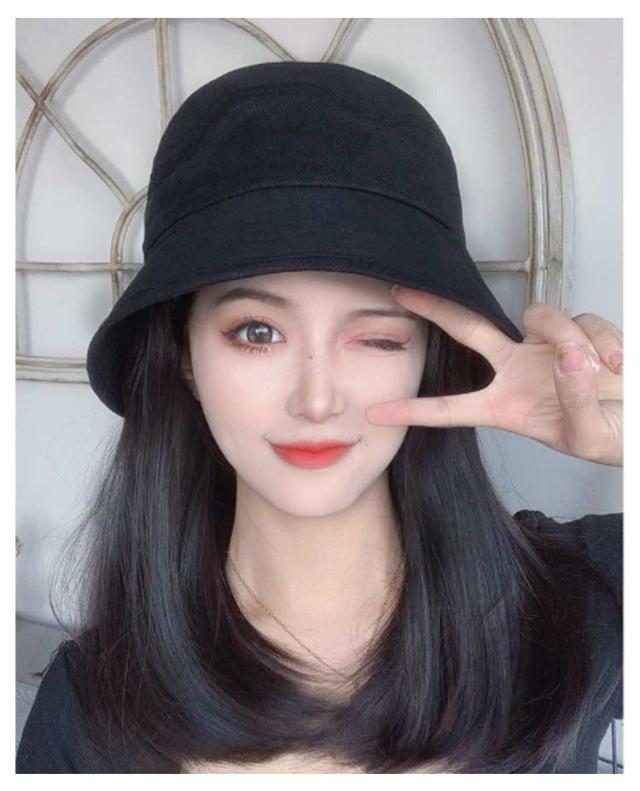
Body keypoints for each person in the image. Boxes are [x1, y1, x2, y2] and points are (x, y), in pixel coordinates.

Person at [16, 61, 622, 774]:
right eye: (257, 332)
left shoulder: (582, 603)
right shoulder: (89, 712)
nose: (316, 399)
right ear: (183, 355)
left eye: (377, 337)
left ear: (428, 354)